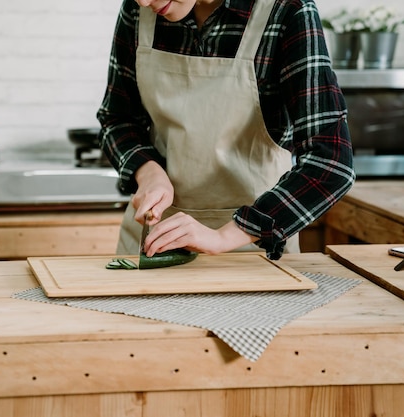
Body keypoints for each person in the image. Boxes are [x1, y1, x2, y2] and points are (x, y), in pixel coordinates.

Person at [96, 0, 355, 260]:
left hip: (251, 249)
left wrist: (222, 236)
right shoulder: (138, 9)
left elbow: (330, 162)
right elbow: (118, 118)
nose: (142, 1)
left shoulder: (286, 10)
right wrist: (148, 173)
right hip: (152, 241)